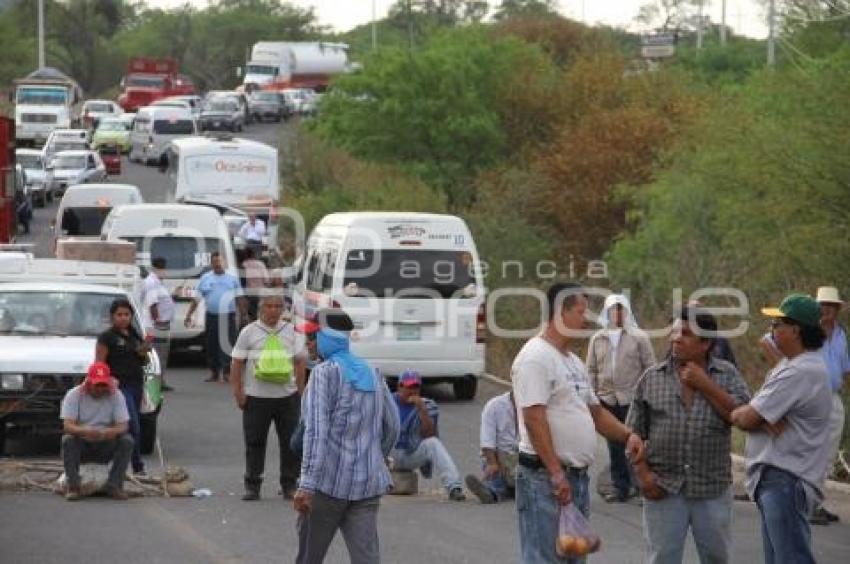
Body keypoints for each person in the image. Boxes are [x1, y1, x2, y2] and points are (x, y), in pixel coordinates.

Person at [512, 282, 644, 564]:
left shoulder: (571, 361)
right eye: (580, 311)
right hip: (545, 480)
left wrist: (628, 435)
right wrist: (556, 472)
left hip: (576, 480)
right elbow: (534, 419)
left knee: (573, 557)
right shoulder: (536, 357)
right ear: (561, 312)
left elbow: (596, 413)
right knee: (545, 557)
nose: (585, 320)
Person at [627, 307, 751, 564]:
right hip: (664, 487)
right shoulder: (652, 378)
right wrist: (643, 475)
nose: (675, 338)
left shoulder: (727, 375)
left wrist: (705, 384)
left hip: (712, 488)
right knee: (662, 558)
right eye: (674, 332)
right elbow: (633, 434)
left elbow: (743, 417)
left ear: (705, 343)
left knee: (717, 557)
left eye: (685, 333)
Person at [731, 294, 833, 564]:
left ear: (795, 330)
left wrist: (747, 414)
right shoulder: (791, 366)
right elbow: (758, 414)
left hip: (785, 477)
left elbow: (746, 418)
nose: (772, 330)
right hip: (777, 477)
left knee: (790, 558)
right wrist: (760, 416)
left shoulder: (800, 371)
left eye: (778, 325)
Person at [295, 308, 400, 564]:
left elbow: (316, 433)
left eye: (312, 336)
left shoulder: (323, 373)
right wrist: (376, 457)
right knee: (367, 559)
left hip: (326, 487)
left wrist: (307, 485)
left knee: (309, 558)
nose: (308, 343)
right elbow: (393, 426)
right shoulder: (372, 372)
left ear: (327, 338)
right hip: (367, 486)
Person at [231, 293, 306, 501]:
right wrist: (238, 392)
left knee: (290, 443)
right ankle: (252, 485)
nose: (273, 310)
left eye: (278, 306)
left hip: (287, 397)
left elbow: (300, 363)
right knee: (255, 442)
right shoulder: (248, 332)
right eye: (269, 306)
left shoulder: (292, 332)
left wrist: (299, 392)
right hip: (256, 397)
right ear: (261, 309)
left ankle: (289, 484)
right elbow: (237, 363)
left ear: (283, 310)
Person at [587, 294, 655, 503]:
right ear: (606, 313)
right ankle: (620, 487)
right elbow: (590, 369)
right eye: (613, 310)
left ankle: (642, 485)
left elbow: (650, 368)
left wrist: (647, 395)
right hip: (607, 399)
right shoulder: (598, 338)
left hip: (632, 399)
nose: (617, 314)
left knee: (636, 443)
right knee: (614, 446)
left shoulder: (639, 337)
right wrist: (592, 395)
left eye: (620, 309)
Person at [60, 362, 134, 501]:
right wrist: (84, 430)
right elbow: (67, 426)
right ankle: (74, 486)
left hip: (105, 443)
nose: (100, 389)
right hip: (83, 444)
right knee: (67, 440)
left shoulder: (116, 395)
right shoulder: (74, 395)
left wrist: (109, 432)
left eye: (103, 385)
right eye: (97, 385)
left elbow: (123, 426)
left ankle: (114, 485)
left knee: (127, 441)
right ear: (88, 382)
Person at [390, 370, 466, 501]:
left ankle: (454, 487)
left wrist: (422, 409)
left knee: (433, 443)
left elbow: (429, 434)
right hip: (388, 455)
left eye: (416, 387)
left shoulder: (428, 405)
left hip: (411, 454)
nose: (412, 391)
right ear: (400, 386)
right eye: (409, 387)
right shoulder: (388, 402)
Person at [95, 298, 150, 476]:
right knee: (131, 426)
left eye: (127, 314)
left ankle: (129, 467)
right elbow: (99, 365)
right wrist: (108, 381)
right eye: (119, 314)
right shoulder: (106, 337)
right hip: (119, 387)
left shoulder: (134, 336)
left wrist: (144, 351)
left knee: (134, 426)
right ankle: (136, 466)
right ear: (112, 317)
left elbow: (143, 361)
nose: (123, 318)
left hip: (136, 385)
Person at [811, 286, 850, 524]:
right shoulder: (807, 331)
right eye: (822, 305)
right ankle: (804, 503)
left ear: (837, 309)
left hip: (833, 396)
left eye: (830, 306)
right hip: (811, 395)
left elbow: (846, 369)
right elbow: (769, 343)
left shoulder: (842, 333)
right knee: (811, 449)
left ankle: (815, 502)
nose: (826, 309)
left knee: (828, 452)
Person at [185, 252, 246, 382]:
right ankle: (214, 372)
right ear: (211, 264)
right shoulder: (205, 278)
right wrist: (189, 315)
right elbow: (196, 299)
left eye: (220, 261)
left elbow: (240, 298)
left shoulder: (232, 278)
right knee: (211, 345)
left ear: (224, 263)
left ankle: (227, 372)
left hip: (228, 316)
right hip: (211, 316)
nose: (218, 264)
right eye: (215, 262)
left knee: (228, 344)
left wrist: (244, 315)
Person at [465, 390, 518, 504]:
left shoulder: (535, 407)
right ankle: (492, 492)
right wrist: (492, 463)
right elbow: (487, 441)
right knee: (496, 478)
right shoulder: (494, 406)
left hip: (522, 459)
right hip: (500, 457)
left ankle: (510, 490)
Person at [142, 257, 175, 392]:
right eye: (162, 268)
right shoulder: (151, 283)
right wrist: (158, 321)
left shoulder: (158, 282)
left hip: (161, 324)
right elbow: (152, 304)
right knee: (156, 354)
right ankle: (155, 382)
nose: (164, 271)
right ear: (157, 268)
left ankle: (160, 381)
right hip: (156, 325)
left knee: (162, 354)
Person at [241, 247, 270, 321]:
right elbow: (266, 280)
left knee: (252, 314)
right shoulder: (261, 264)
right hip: (261, 293)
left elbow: (243, 281)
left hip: (249, 294)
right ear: (254, 255)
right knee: (261, 313)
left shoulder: (243, 265)